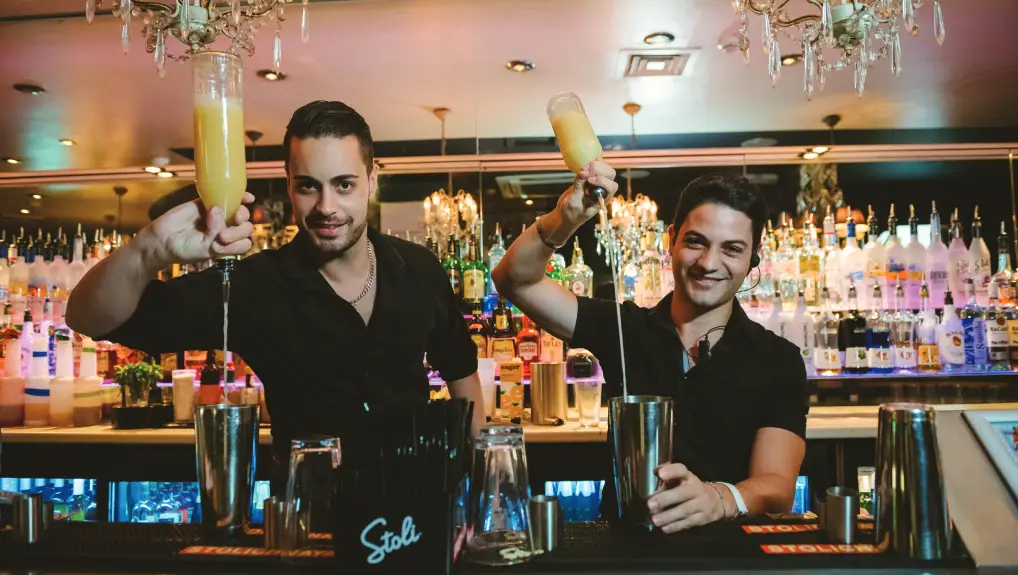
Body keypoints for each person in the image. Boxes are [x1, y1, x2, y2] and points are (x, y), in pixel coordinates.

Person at [66, 100, 485, 487]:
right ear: (288, 184)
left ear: (372, 180)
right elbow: (88, 318)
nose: (326, 206)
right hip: (310, 523)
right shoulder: (256, 286)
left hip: (414, 511)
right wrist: (150, 248)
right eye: (308, 186)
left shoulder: (419, 270)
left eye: (344, 185)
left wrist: (478, 481)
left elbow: (461, 371)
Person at [492, 164, 807, 533]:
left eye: (732, 249)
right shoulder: (625, 329)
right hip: (627, 553)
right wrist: (565, 218)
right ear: (671, 239)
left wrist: (718, 498)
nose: (708, 263)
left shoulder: (778, 360)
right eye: (695, 241)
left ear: (753, 257)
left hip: (729, 557)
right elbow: (514, 280)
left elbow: (776, 485)